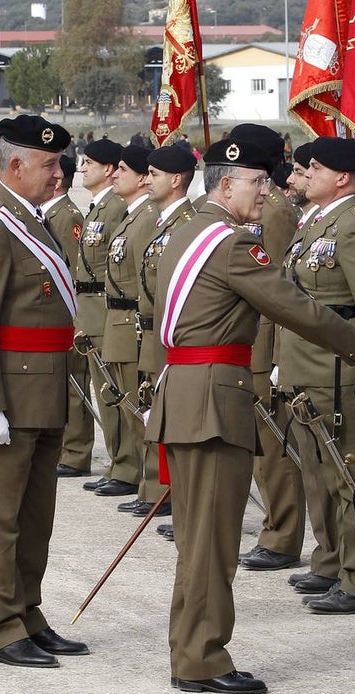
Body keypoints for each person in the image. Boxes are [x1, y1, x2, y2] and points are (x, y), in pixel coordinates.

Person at [146, 138, 355, 694]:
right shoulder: (231, 244)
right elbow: (292, 306)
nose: (267, 190)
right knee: (212, 540)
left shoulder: (187, 230)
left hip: (187, 393)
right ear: (226, 185)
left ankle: (193, 651)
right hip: (211, 401)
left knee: (199, 536)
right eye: (256, 181)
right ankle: (201, 658)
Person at [0, 114, 89, 668]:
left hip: (44, 391)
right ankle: (2, 629)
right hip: (4, 397)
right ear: (15, 165)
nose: (59, 176)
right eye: (50, 165)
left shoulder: (32, 219)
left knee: (35, 518)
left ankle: (29, 613)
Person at [277, 136, 355, 613]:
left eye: (315, 168)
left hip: (337, 369)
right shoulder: (317, 221)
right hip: (307, 364)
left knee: (353, 473)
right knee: (321, 472)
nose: (304, 175)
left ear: (342, 177)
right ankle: (333, 561)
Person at [223, 124, 307, 570]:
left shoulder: (272, 211)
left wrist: (274, 358)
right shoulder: (248, 207)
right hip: (245, 345)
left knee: (274, 449)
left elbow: (274, 292)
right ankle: (273, 527)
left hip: (262, 347)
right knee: (258, 448)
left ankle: (282, 535)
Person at [118, 144, 199, 519]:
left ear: (176, 179)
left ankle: (172, 497)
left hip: (170, 337)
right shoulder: (164, 219)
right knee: (151, 411)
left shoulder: (185, 223)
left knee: (171, 419)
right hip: (149, 332)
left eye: (154, 174)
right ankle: (156, 489)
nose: (146, 180)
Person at [95, 145, 159, 501]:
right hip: (119, 321)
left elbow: (146, 279)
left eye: (122, 169)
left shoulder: (146, 217)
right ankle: (141, 479)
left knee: (141, 406)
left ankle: (151, 485)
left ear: (141, 177)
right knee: (128, 404)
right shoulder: (130, 215)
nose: (114, 174)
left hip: (135, 324)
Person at [62, 139, 126, 482]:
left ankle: (125, 465)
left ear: (109, 170)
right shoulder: (99, 208)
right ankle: (120, 463)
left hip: (103, 309)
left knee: (110, 390)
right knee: (101, 390)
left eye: (89, 163)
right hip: (88, 309)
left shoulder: (115, 208)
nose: (82, 168)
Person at [44, 154, 94, 481]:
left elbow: (74, 270)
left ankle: (76, 453)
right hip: (54, 314)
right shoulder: (47, 214)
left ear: (59, 179)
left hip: (70, 312)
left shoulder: (65, 216)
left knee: (75, 384)